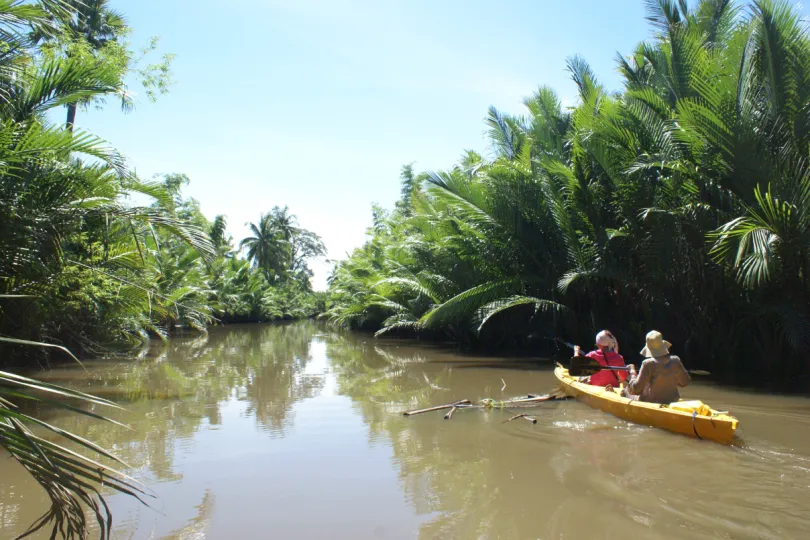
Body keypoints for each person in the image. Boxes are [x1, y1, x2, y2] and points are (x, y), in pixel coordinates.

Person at [625, 330, 691, 404]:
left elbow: (636, 389)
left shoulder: (647, 364)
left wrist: (632, 372)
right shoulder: (676, 360)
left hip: (651, 402)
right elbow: (685, 382)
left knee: (626, 390)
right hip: (673, 400)